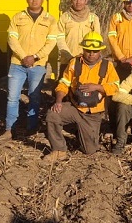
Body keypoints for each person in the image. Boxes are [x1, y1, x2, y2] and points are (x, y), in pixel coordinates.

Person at [46, 32, 120, 161]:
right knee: (53, 114)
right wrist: (58, 101)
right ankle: (59, 150)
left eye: (95, 51)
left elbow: (115, 87)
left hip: (93, 113)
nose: (91, 54)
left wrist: (97, 87)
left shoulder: (107, 66)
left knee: (89, 150)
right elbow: (64, 83)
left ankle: (85, 133)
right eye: (88, 50)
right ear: (83, 49)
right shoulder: (74, 63)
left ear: (100, 51)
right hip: (75, 108)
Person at [2, 0, 58, 138]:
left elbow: (51, 43)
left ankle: (31, 128)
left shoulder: (50, 20)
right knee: (12, 97)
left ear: (43, 0)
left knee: (34, 97)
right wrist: (23, 56)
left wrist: (35, 57)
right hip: (17, 64)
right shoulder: (17, 17)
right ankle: (9, 129)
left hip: (38, 65)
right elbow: (11, 39)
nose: (34, 0)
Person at [56, 0, 101, 75]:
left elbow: (97, 40)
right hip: (67, 61)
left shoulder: (93, 18)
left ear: (86, 1)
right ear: (71, 0)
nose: (78, 2)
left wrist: (87, 56)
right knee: (63, 87)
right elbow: (59, 39)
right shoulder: (64, 17)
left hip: (87, 61)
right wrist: (69, 56)